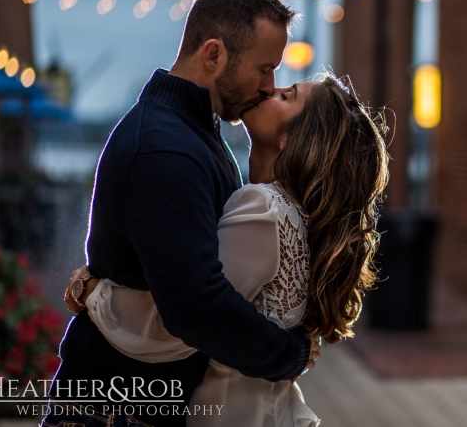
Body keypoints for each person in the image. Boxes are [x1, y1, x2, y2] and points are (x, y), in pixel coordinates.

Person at [43, 0, 322, 427]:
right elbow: (195, 304)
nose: (270, 87)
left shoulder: (194, 131)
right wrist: (290, 355)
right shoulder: (164, 149)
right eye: (264, 69)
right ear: (213, 56)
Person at [63, 72, 389, 426]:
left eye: (287, 94)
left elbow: (178, 324)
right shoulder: (292, 213)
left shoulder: (263, 208)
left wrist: (95, 292)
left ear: (291, 139)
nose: (270, 87)